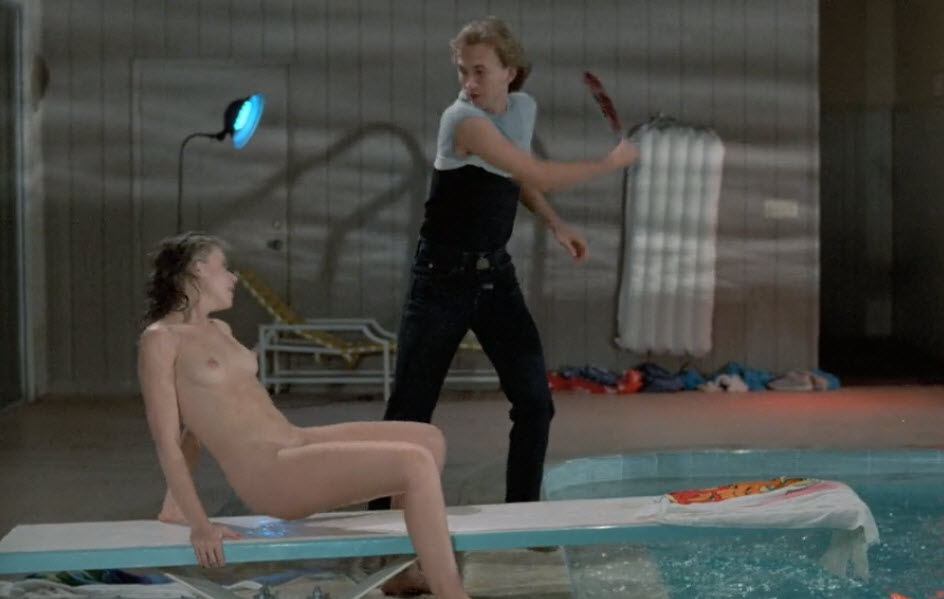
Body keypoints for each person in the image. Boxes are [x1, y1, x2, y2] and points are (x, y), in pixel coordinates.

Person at [379, 16, 639, 507]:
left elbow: (515, 177)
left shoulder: (521, 109)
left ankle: (523, 513)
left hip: (496, 279)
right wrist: (611, 163)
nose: (469, 83)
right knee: (409, 413)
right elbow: (537, 171)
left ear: (510, 73)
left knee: (536, 403)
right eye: (463, 71)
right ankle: (377, 526)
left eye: (480, 71)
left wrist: (555, 223)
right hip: (441, 280)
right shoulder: (463, 121)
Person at [138, 231, 472, 599]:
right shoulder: (161, 339)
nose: (233, 278)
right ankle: (451, 592)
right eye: (224, 268)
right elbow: (167, 440)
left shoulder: (220, 329)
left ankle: (402, 574)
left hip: (294, 442)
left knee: (428, 440)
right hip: (271, 474)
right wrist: (199, 525)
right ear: (199, 270)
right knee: (415, 463)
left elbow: (198, 425)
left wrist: (172, 506)